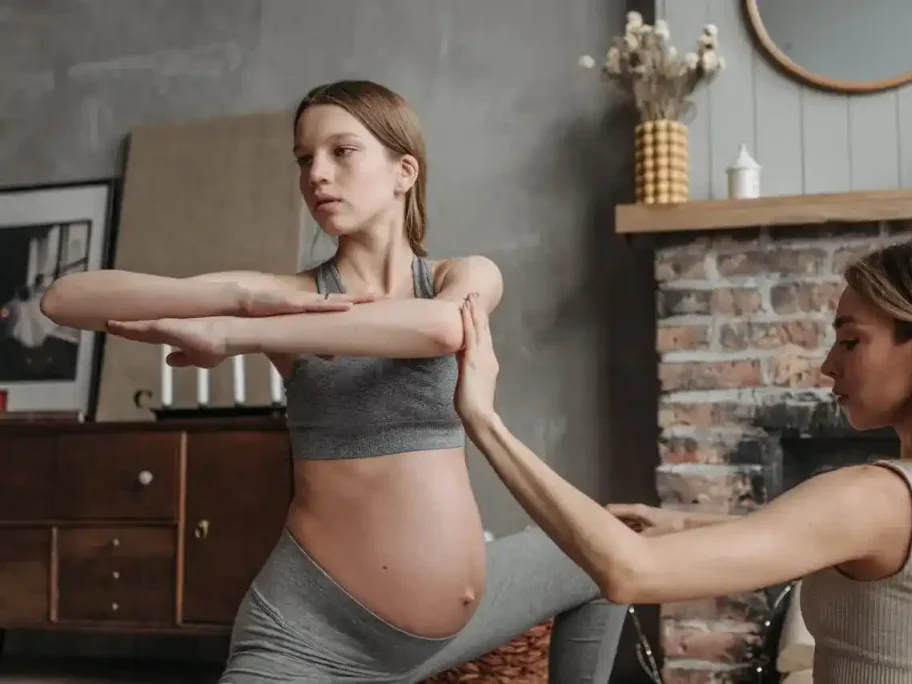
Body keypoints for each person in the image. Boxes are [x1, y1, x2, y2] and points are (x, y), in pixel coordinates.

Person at [40, 80, 627, 682]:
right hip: (310, 637)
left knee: (603, 556)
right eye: (304, 158)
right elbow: (63, 300)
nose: (316, 174)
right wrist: (241, 296)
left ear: (404, 171)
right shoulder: (286, 295)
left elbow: (442, 329)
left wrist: (240, 334)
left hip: (448, 631)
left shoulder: (460, 277)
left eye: (341, 151)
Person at [452, 237, 912, 683]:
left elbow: (628, 572)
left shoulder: (875, 498)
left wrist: (485, 421)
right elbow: (832, 542)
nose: (828, 365)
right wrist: (685, 523)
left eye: (851, 341)